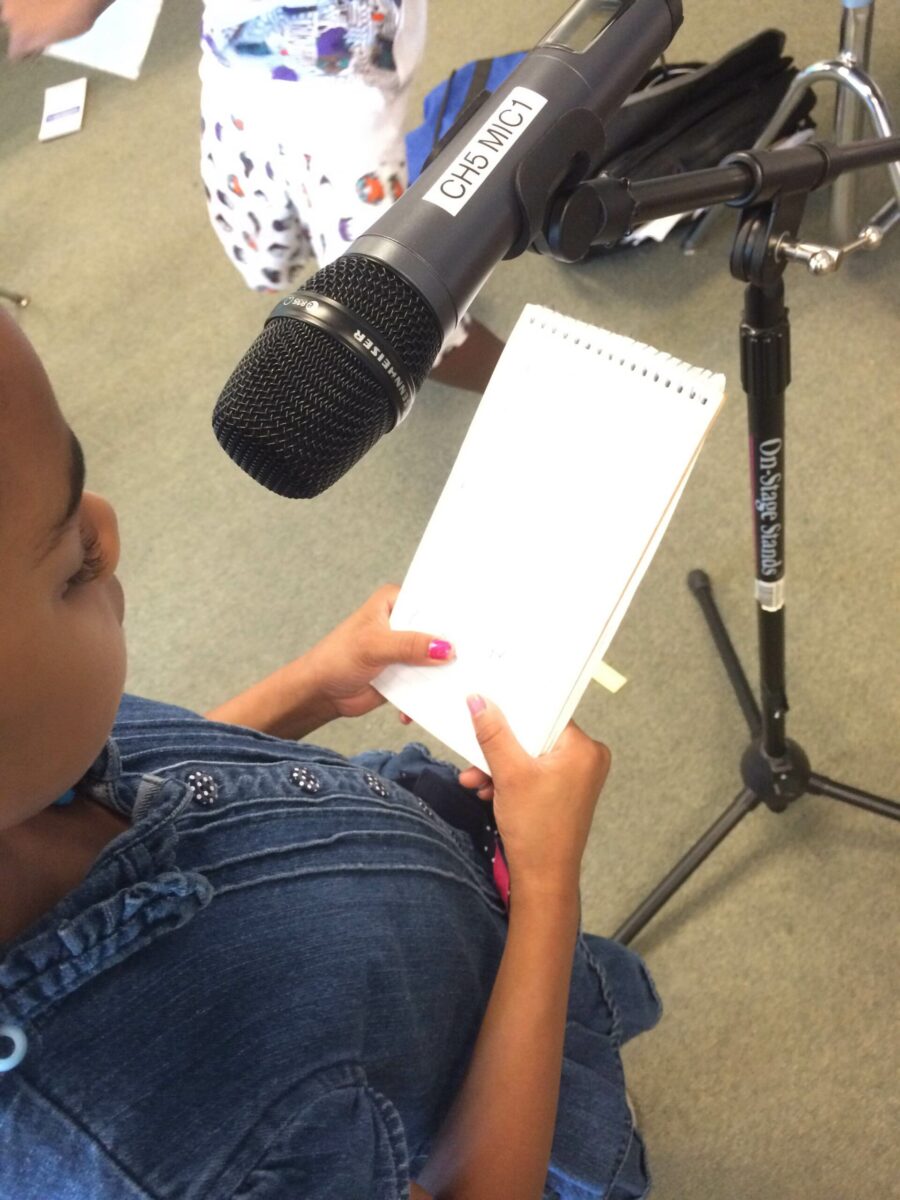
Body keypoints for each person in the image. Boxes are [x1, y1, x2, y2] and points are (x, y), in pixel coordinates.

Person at [0, 306, 661, 1197]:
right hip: (471, 1084)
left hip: (420, 910)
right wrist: (547, 890)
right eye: (73, 563)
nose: (107, 526)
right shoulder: (158, 1151)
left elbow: (159, 778)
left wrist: (311, 686)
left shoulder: (31, 765)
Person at [1, 0, 504, 392]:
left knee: (393, 315)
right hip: (241, 45)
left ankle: (532, 377)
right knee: (259, 226)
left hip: (335, 67)